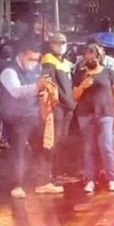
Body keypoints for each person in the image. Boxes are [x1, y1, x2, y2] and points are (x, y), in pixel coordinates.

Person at [0, 39, 56, 198]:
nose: (33, 63)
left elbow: (38, 88)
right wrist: (37, 87)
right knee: (18, 152)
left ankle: (43, 182)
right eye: (30, 59)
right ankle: (16, 185)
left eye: (36, 59)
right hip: (17, 118)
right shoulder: (9, 71)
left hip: (35, 114)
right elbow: (16, 91)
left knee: (42, 148)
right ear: (21, 55)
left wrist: (44, 92)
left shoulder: (37, 68)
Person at [73, 43, 114, 194]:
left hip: (106, 114)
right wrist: (82, 86)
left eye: (93, 55)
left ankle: (112, 179)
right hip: (85, 115)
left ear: (99, 57)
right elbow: (74, 96)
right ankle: (90, 180)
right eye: (87, 55)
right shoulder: (79, 74)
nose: (90, 58)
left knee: (106, 147)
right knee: (89, 148)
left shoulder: (109, 73)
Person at [40, 32, 76, 187]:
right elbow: (50, 83)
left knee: (62, 141)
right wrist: (66, 101)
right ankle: (48, 174)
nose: (61, 46)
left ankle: (58, 172)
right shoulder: (48, 60)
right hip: (57, 106)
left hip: (68, 107)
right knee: (53, 141)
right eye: (57, 43)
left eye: (63, 43)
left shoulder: (66, 63)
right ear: (51, 44)